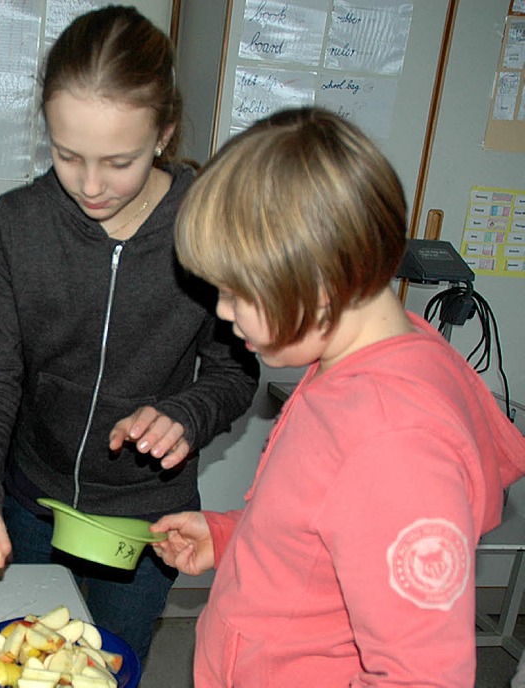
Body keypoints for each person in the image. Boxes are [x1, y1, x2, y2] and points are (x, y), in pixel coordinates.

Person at [0, 5, 258, 662]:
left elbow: (235, 371)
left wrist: (186, 414)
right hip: (28, 500)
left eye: (118, 160)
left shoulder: (209, 226)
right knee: (25, 667)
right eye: (68, 155)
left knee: (107, 667)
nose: (92, 186)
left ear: (164, 134)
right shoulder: (18, 224)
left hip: (143, 516)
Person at [150, 107, 525, 687]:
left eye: (235, 291)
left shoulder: (393, 443)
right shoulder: (359, 362)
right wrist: (236, 538)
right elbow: (328, 518)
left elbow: (421, 677)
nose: (221, 312)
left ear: (320, 286)